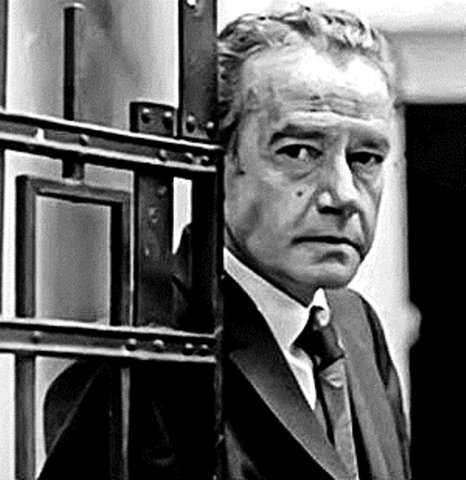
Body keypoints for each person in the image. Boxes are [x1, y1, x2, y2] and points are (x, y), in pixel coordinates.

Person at [40, 4, 410, 480]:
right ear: (219, 161)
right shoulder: (147, 347)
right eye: (298, 151)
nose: (342, 195)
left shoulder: (356, 324)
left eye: (365, 158)